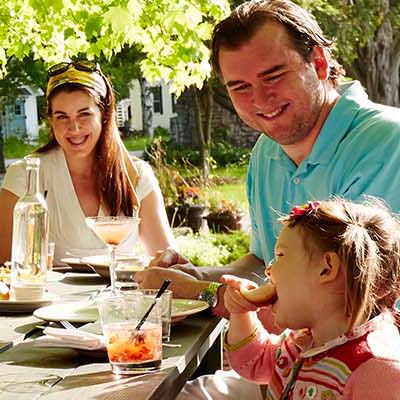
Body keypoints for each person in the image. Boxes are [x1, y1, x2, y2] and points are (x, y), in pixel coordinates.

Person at [133, 0, 400, 398]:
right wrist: (199, 274)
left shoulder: (387, 143)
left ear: (320, 64)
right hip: (300, 363)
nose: (260, 99)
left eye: (274, 75)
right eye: (239, 87)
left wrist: (201, 294)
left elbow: (341, 300)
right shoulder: (267, 152)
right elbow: (263, 263)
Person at [0, 60, 174, 265]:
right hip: (51, 297)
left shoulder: (137, 175)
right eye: (62, 116)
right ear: (50, 121)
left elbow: (167, 261)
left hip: (123, 297)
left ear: (104, 115)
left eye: (84, 114)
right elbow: (5, 266)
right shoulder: (25, 176)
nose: (74, 127)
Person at [223, 198, 400, 398]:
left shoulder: (376, 371)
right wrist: (240, 312)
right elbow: (255, 362)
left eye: (280, 255)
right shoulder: (304, 340)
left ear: (326, 269)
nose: (269, 270)